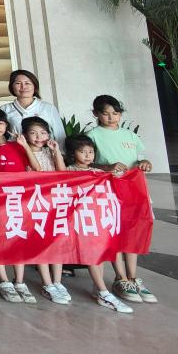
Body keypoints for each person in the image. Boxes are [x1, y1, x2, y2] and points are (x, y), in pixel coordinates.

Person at [86, 95, 157, 304]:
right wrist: (107, 167)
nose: (111, 117)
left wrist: (145, 162)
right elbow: (86, 162)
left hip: (134, 190)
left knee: (132, 232)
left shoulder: (130, 135)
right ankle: (120, 277)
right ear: (96, 114)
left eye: (115, 113)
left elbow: (138, 158)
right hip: (109, 191)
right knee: (115, 232)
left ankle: (133, 277)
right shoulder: (92, 135)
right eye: (106, 113)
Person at [64, 134, 134, 313]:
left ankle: (99, 286)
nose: (88, 155)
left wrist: (120, 172)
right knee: (92, 252)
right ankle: (103, 292)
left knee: (100, 251)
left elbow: (117, 179)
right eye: (83, 152)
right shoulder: (68, 170)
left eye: (91, 152)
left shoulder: (98, 171)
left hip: (98, 218)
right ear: (73, 154)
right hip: (81, 219)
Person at [0, 107, 38, 303]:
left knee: (17, 238)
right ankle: (3, 280)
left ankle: (20, 281)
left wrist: (25, 145)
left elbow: (36, 168)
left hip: (18, 200)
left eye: (1, 123)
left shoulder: (17, 146)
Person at [16, 116, 69, 304]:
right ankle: (47, 283)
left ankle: (58, 281)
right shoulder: (22, 151)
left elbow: (62, 172)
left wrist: (56, 152)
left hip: (54, 201)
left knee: (57, 241)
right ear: (24, 135)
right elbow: (36, 169)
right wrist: (25, 147)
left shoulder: (49, 151)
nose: (39, 137)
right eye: (33, 133)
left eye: (43, 133)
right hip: (36, 202)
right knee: (41, 242)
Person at [2, 69, 66, 147]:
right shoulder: (4, 109)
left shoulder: (48, 108)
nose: (23, 87)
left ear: (34, 86)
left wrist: (60, 152)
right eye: (18, 83)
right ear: (12, 86)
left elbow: (60, 135)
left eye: (27, 83)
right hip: (15, 152)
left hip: (45, 152)